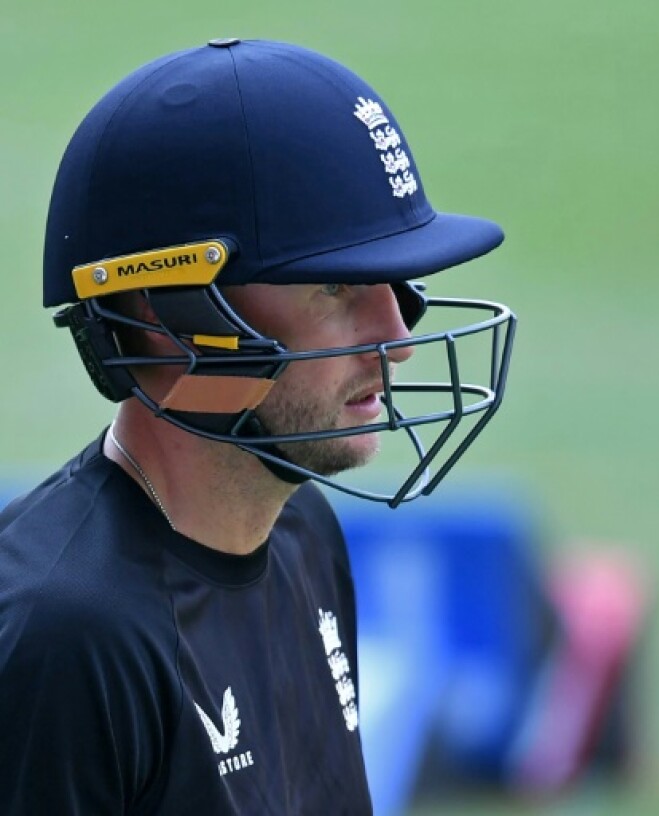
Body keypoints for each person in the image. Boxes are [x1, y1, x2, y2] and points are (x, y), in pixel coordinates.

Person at [0, 39, 515, 814]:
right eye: (335, 285)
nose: (398, 337)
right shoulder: (68, 637)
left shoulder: (300, 529)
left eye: (395, 282)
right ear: (170, 318)